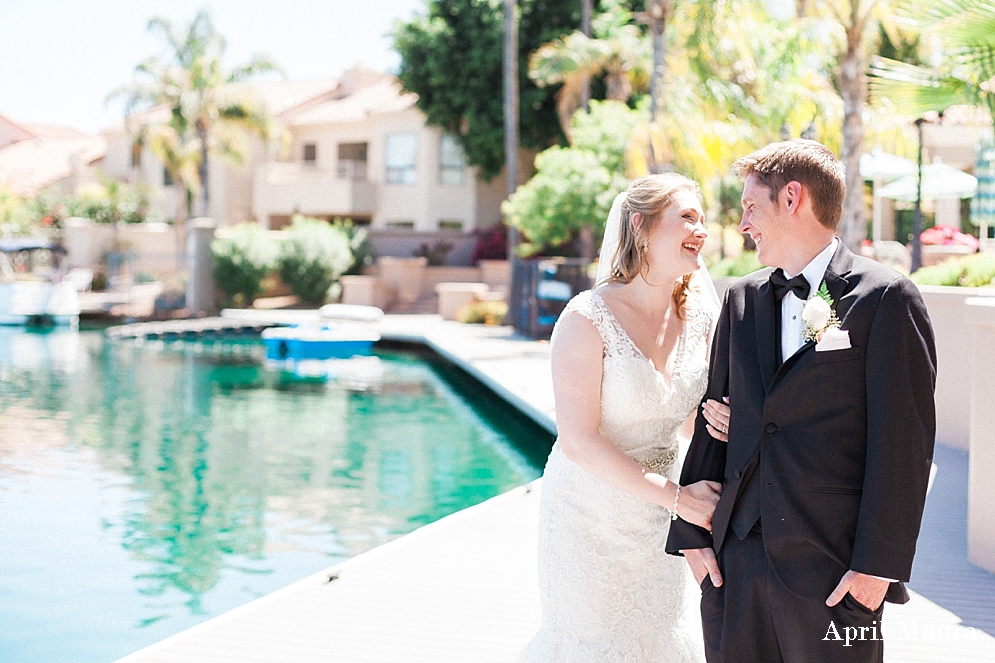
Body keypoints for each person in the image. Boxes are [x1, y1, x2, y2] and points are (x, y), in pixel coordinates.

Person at [666, 139, 937, 663]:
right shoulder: (741, 299)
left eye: (751, 206)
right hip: (734, 568)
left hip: (836, 576)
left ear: (793, 198)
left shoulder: (885, 299)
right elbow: (711, 417)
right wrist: (694, 538)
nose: (744, 224)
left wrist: (875, 571)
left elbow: (904, 448)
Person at [520, 173, 730, 662]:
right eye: (687, 217)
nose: (702, 230)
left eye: (703, 219)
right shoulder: (585, 320)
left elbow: (684, 424)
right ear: (640, 226)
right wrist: (680, 499)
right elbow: (578, 441)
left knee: (657, 641)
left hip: (660, 523)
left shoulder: (700, 318)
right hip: (587, 518)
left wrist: (718, 420)